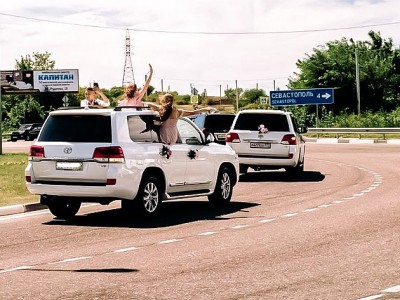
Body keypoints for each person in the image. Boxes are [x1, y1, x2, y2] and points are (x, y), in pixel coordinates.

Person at [146, 93, 217, 145]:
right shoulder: (177, 111)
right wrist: (205, 109)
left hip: (164, 133)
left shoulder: (161, 109)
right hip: (173, 134)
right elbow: (192, 112)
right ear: (173, 101)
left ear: (164, 101)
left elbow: (149, 104)